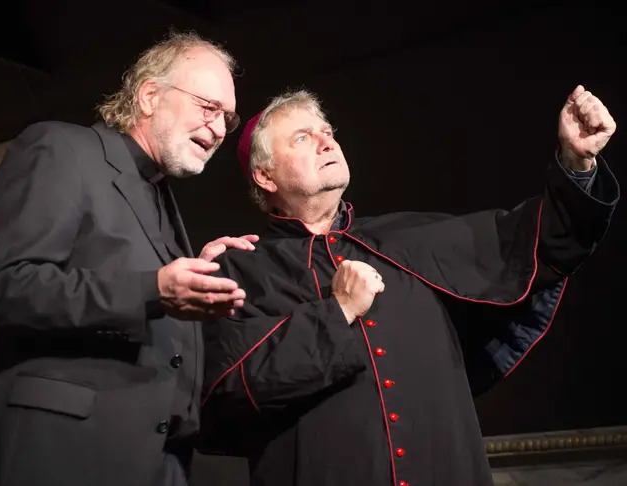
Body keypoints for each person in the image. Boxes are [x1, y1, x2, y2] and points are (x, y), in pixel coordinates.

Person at [198, 85, 619, 486]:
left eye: (328, 132)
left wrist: (576, 162)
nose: (327, 143)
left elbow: (536, 241)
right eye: (303, 138)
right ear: (265, 176)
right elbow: (226, 396)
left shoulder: (410, 236)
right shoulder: (241, 271)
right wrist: (337, 312)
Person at [0, 31, 259, 486]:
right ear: (150, 96)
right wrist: (155, 289)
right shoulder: (63, 148)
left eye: (227, 119)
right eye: (208, 107)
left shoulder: (159, 194)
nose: (217, 130)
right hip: (66, 452)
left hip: (159, 459)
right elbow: (4, 286)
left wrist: (198, 275)